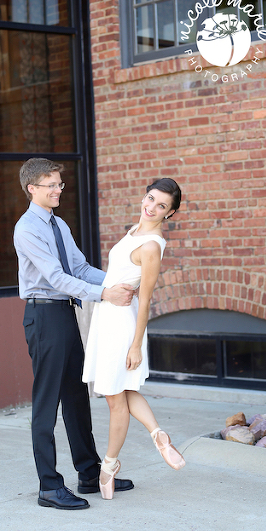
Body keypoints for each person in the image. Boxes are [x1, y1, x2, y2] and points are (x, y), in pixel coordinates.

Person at [13, 158, 139, 511]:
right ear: (31, 188)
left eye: (59, 184)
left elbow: (80, 268)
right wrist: (104, 294)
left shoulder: (59, 224)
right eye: (50, 185)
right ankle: (49, 487)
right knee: (47, 402)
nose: (57, 190)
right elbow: (56, 278)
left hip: (66, 315)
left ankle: (89, 473)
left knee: (76, 397)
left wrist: (119, 282)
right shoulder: (27, 229)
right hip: (43, 316)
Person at [82, 178, 186, 499]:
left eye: (161, 206)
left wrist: (136, 344)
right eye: (151, 198)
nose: (151, 207)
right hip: (109, 318)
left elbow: (146, 299)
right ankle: (158, 434)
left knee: (116, 401)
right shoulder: (135, 231)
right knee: (124, 392)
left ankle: (109, 466)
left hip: (121, 327)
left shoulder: (152, 245)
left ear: (169, 214)